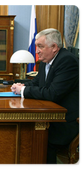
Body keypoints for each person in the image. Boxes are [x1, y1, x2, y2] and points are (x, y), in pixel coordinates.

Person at [11, 28, 80, 164]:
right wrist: (18, 85)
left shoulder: (67, 61)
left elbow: (52, 93)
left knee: (36, 137)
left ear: (54, 47)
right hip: (50, 115)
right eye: (37, 46)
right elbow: (37, 83)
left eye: (40, 47)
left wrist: (23, 90)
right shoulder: (45, 62)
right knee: (24, 131)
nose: (36, 51)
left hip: (64, 121)